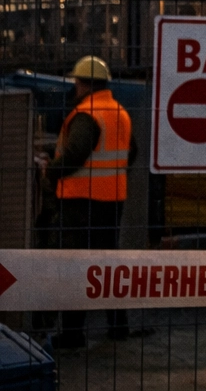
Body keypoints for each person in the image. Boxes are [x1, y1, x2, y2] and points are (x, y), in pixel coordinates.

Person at [47, 55, 135, 349]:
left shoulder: (87, 114)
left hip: (81, 202)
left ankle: (72, 334)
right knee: (108, 264)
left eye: (76, 82)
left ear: (84, 84)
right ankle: (118, 326)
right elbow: (130, 152)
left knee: (77, 266)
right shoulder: (119, 111)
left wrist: (51, 170)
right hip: (112, 200)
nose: (75, 86)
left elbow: (75, 153)